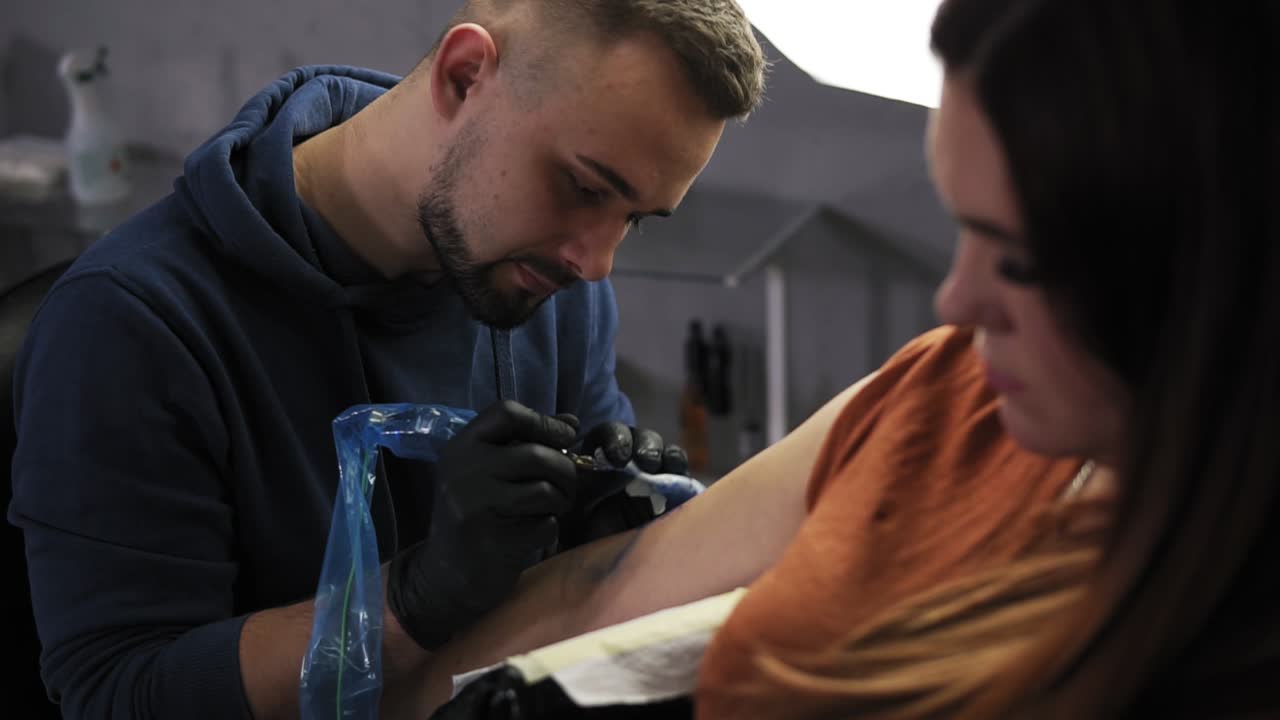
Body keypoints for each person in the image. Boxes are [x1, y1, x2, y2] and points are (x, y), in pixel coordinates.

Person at [415, 1, 1280, 718]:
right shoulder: (948, 395)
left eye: (1017, 258)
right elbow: (596, 593)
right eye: (961, 229)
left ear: (1197, 272)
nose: (958, 306)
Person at [6, 1, 766, 718]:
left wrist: (601, 538)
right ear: (465, 76)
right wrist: (412, 600)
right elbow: (120, 693)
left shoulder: (552, 284)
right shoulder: (135, 325)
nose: (596, 261)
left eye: (633, 217)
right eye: (582, 186)